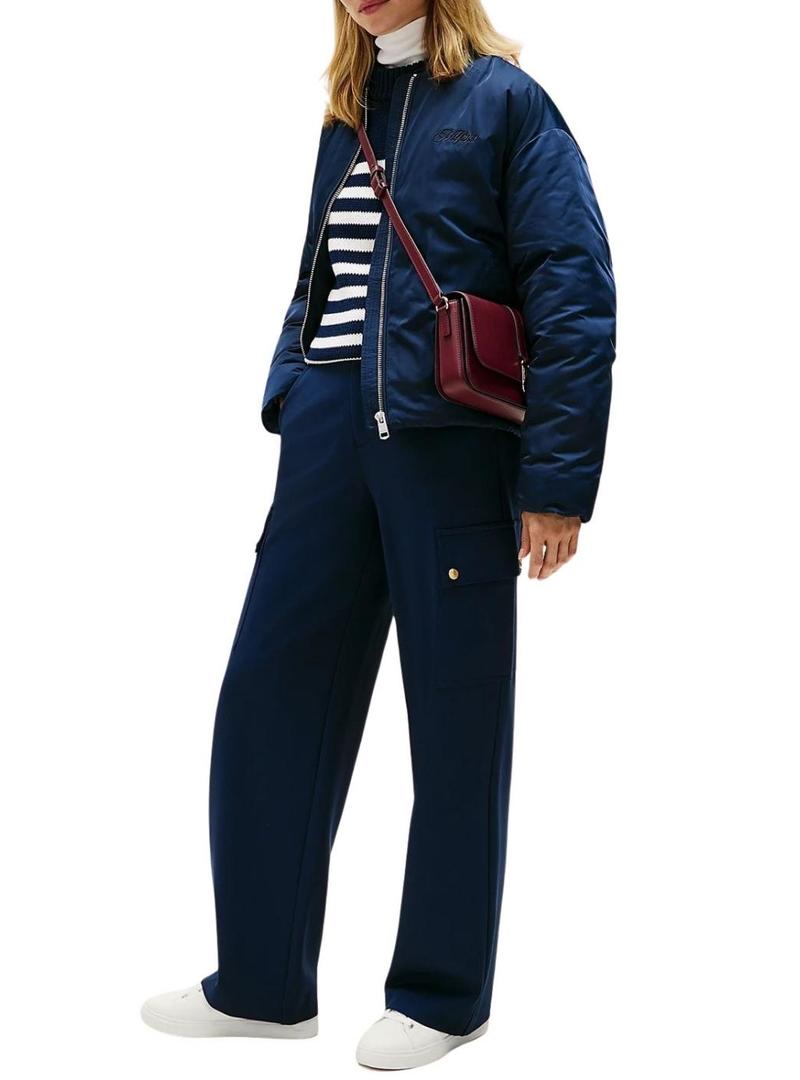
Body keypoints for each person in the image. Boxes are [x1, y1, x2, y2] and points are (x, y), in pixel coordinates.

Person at [141, 0, 615, 1070]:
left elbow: (572, 289)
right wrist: (292, 386)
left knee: (454, 722)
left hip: (445, 444)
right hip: (326, 439)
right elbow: (325, 272)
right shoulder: (347, 110)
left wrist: (557, 482)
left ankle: (443, 997)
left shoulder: (506, 104)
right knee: (266, 698)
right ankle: (260, 984)